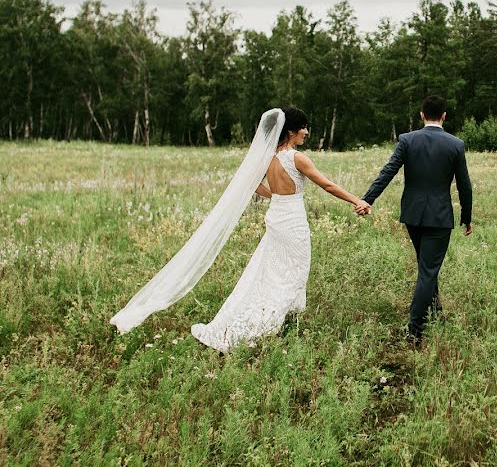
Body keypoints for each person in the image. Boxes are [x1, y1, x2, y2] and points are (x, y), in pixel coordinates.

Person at [111, 107, 369, 352]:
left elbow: (254, 184)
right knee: (294, 270)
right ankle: (269, 321)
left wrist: (277, 197)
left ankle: (282, 317)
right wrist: (357, 200)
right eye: (304, 128)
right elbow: (327, 185)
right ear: (290, 131)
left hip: (277, 216)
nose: (307, 132)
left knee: (272, 268)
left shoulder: (268, 158)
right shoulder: (297, 158)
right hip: (292, 221)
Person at [360, 95, 473, 346]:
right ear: (444, 115)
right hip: (440, 217)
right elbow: (464, 184)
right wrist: (466, 217)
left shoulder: (407, 140)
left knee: (426, 266)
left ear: (422, 115)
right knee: (428, 270)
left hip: (413, 215)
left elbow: (388, 172)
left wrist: (368, 199)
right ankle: (415, 329)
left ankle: (435, 310)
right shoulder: (456, 144)